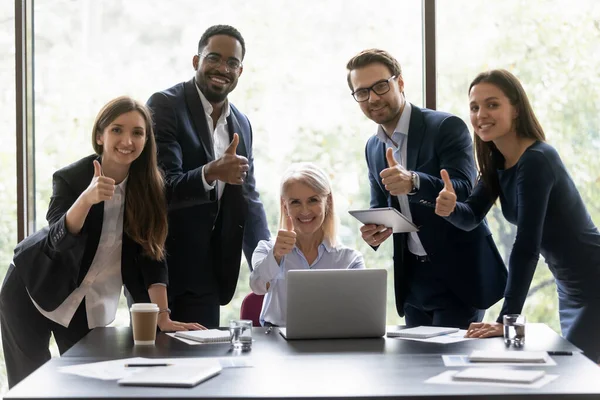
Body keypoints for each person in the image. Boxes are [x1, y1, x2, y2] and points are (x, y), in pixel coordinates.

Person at [0, 96, 203, 388]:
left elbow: (152, 253)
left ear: (147, 140)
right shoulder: (71, 178)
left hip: (85, 304)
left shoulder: (151, 187)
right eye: (117, 130)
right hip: (30, 288)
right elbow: (57, 240)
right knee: (31, 386)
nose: (127, 140)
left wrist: (163, 315)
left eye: (137, 132)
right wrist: (87, 199)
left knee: (90, 385)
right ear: (100, 135)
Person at [435, 69, 600, 362]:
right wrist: (449, 209)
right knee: (579, 373)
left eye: (492, 104)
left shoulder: (536, 159)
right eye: (474, 107)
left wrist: (506, 319)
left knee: (581, 376)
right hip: (570, 284)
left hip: (593, 282)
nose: (481, 114)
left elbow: (526, 248)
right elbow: (471, 215)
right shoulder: (498, 161)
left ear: (516, 109)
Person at [346, 49, 507, 328]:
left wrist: (414, 181)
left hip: (458, 276)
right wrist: (375, 229)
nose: (373, 98)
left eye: (381, 86)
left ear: (400, 83)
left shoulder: (445, 126)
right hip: (412, 281)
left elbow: (464, 190)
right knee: (414, 370)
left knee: (449, 368)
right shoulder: (373, 147)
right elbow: (379, 204)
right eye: (362, 92)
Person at [146, 25, 269, 327]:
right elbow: (163, 189)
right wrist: (210, 172)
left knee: (203, 365)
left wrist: (267, 262)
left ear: (240, 70)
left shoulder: (242, 124)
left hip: (209, 274)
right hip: (160, 268)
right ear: (195, 61)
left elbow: (248, 199)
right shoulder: (165, 105)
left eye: (232, 62)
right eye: (214, 58)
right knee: (155, 367)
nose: (222, 68)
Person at [249, 163, 365, 326]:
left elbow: (360, 313)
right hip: (276, 342)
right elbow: (257, 286)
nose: (305, 211)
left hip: (332, 342)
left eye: (313, 200)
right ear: (285, 205)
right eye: (295, 202)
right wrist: (276, 255)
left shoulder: (350, 260)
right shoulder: (267, 249)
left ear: (328, 202)